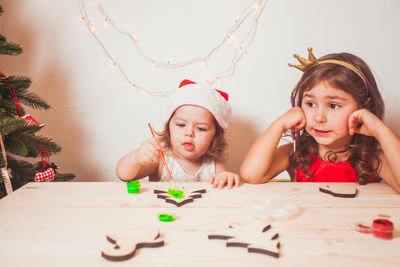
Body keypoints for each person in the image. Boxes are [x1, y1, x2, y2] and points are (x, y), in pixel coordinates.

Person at [240, 48, 400, 193]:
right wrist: (279, 124)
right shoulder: (296, 153)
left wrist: (380, 130)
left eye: (333, 105)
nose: (319, 117)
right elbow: (251, 175)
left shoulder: (373, 158)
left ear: (363, 108)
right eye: (310, 104)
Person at [116, 79, 240, 189]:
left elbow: (221, 188)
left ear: (215, 137)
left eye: (201, 129)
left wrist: (225, 178)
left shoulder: (214, 163)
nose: (189, 133)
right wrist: (136, 158)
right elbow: (123, 175)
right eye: (181, 125)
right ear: (168, 127)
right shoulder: (160, 157)